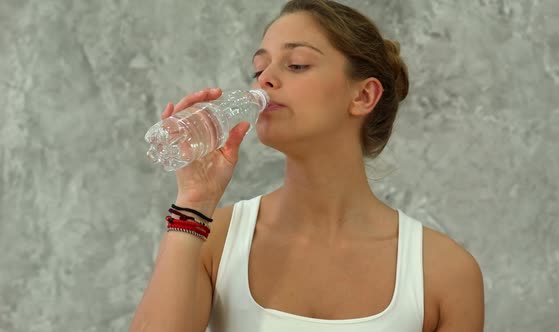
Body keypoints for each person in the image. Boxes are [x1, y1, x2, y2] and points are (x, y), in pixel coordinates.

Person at [130, 1, 485, 331]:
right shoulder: (213, 239)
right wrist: (193, 202)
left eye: (296, 64)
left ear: (363, 96)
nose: (264, 79)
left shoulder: (444, 273)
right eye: (258, 67)